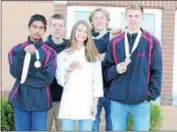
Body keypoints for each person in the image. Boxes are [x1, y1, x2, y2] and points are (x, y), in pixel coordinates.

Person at [103, 3, 162, 131]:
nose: (133, 19)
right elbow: (105, 70)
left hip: (141, 101)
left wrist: (149, 95)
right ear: (125, 17)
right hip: (117, 101)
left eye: (136, 16)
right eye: (130, 15)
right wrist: (115, 70)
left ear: (142, 17)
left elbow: (157, 71)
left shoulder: (152, 42)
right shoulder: (115, 42)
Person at [7, 14, 57, 131]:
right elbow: (15, 72)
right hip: (20, 100)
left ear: (44, 30)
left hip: (40, 102)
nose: (37, 31)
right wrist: (23, 54)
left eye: (41, 28)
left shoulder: (51, 53)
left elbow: (47, 79)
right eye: (34, 27)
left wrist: (25, 78)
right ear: (29, 27)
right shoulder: (16, 49)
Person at [55, 20, 103, 131]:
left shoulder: (93, 56)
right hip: (69, 101)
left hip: (87, 102)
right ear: (74, 31)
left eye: (85, 32)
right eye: (79, 30)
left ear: (88, 35)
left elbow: (97, 81)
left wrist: (95, 105)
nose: (82, 34)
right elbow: (60, 80)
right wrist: (69, 70)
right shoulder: (63, 55)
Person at [89, 8, 113, 131]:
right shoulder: (87, 39)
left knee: (112, 124)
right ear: (91, 22)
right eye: (96, 18)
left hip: (112, 88)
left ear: (107, 21)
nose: (99, 20)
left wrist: (98, 57)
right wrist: (103, 56)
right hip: (93, 89)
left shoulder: (114, 37)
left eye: (102, 18)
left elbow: (116, 56)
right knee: (93, 123)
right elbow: (87, 58)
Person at [45, 13, 68, 131]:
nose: (57, 28)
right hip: (46, 99)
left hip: (64, 99)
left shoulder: (70, 47)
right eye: (54, 25)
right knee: (44, 128)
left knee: (62, 129)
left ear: (64, 28)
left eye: (60, 25)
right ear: (49, 27)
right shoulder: (43, 47)